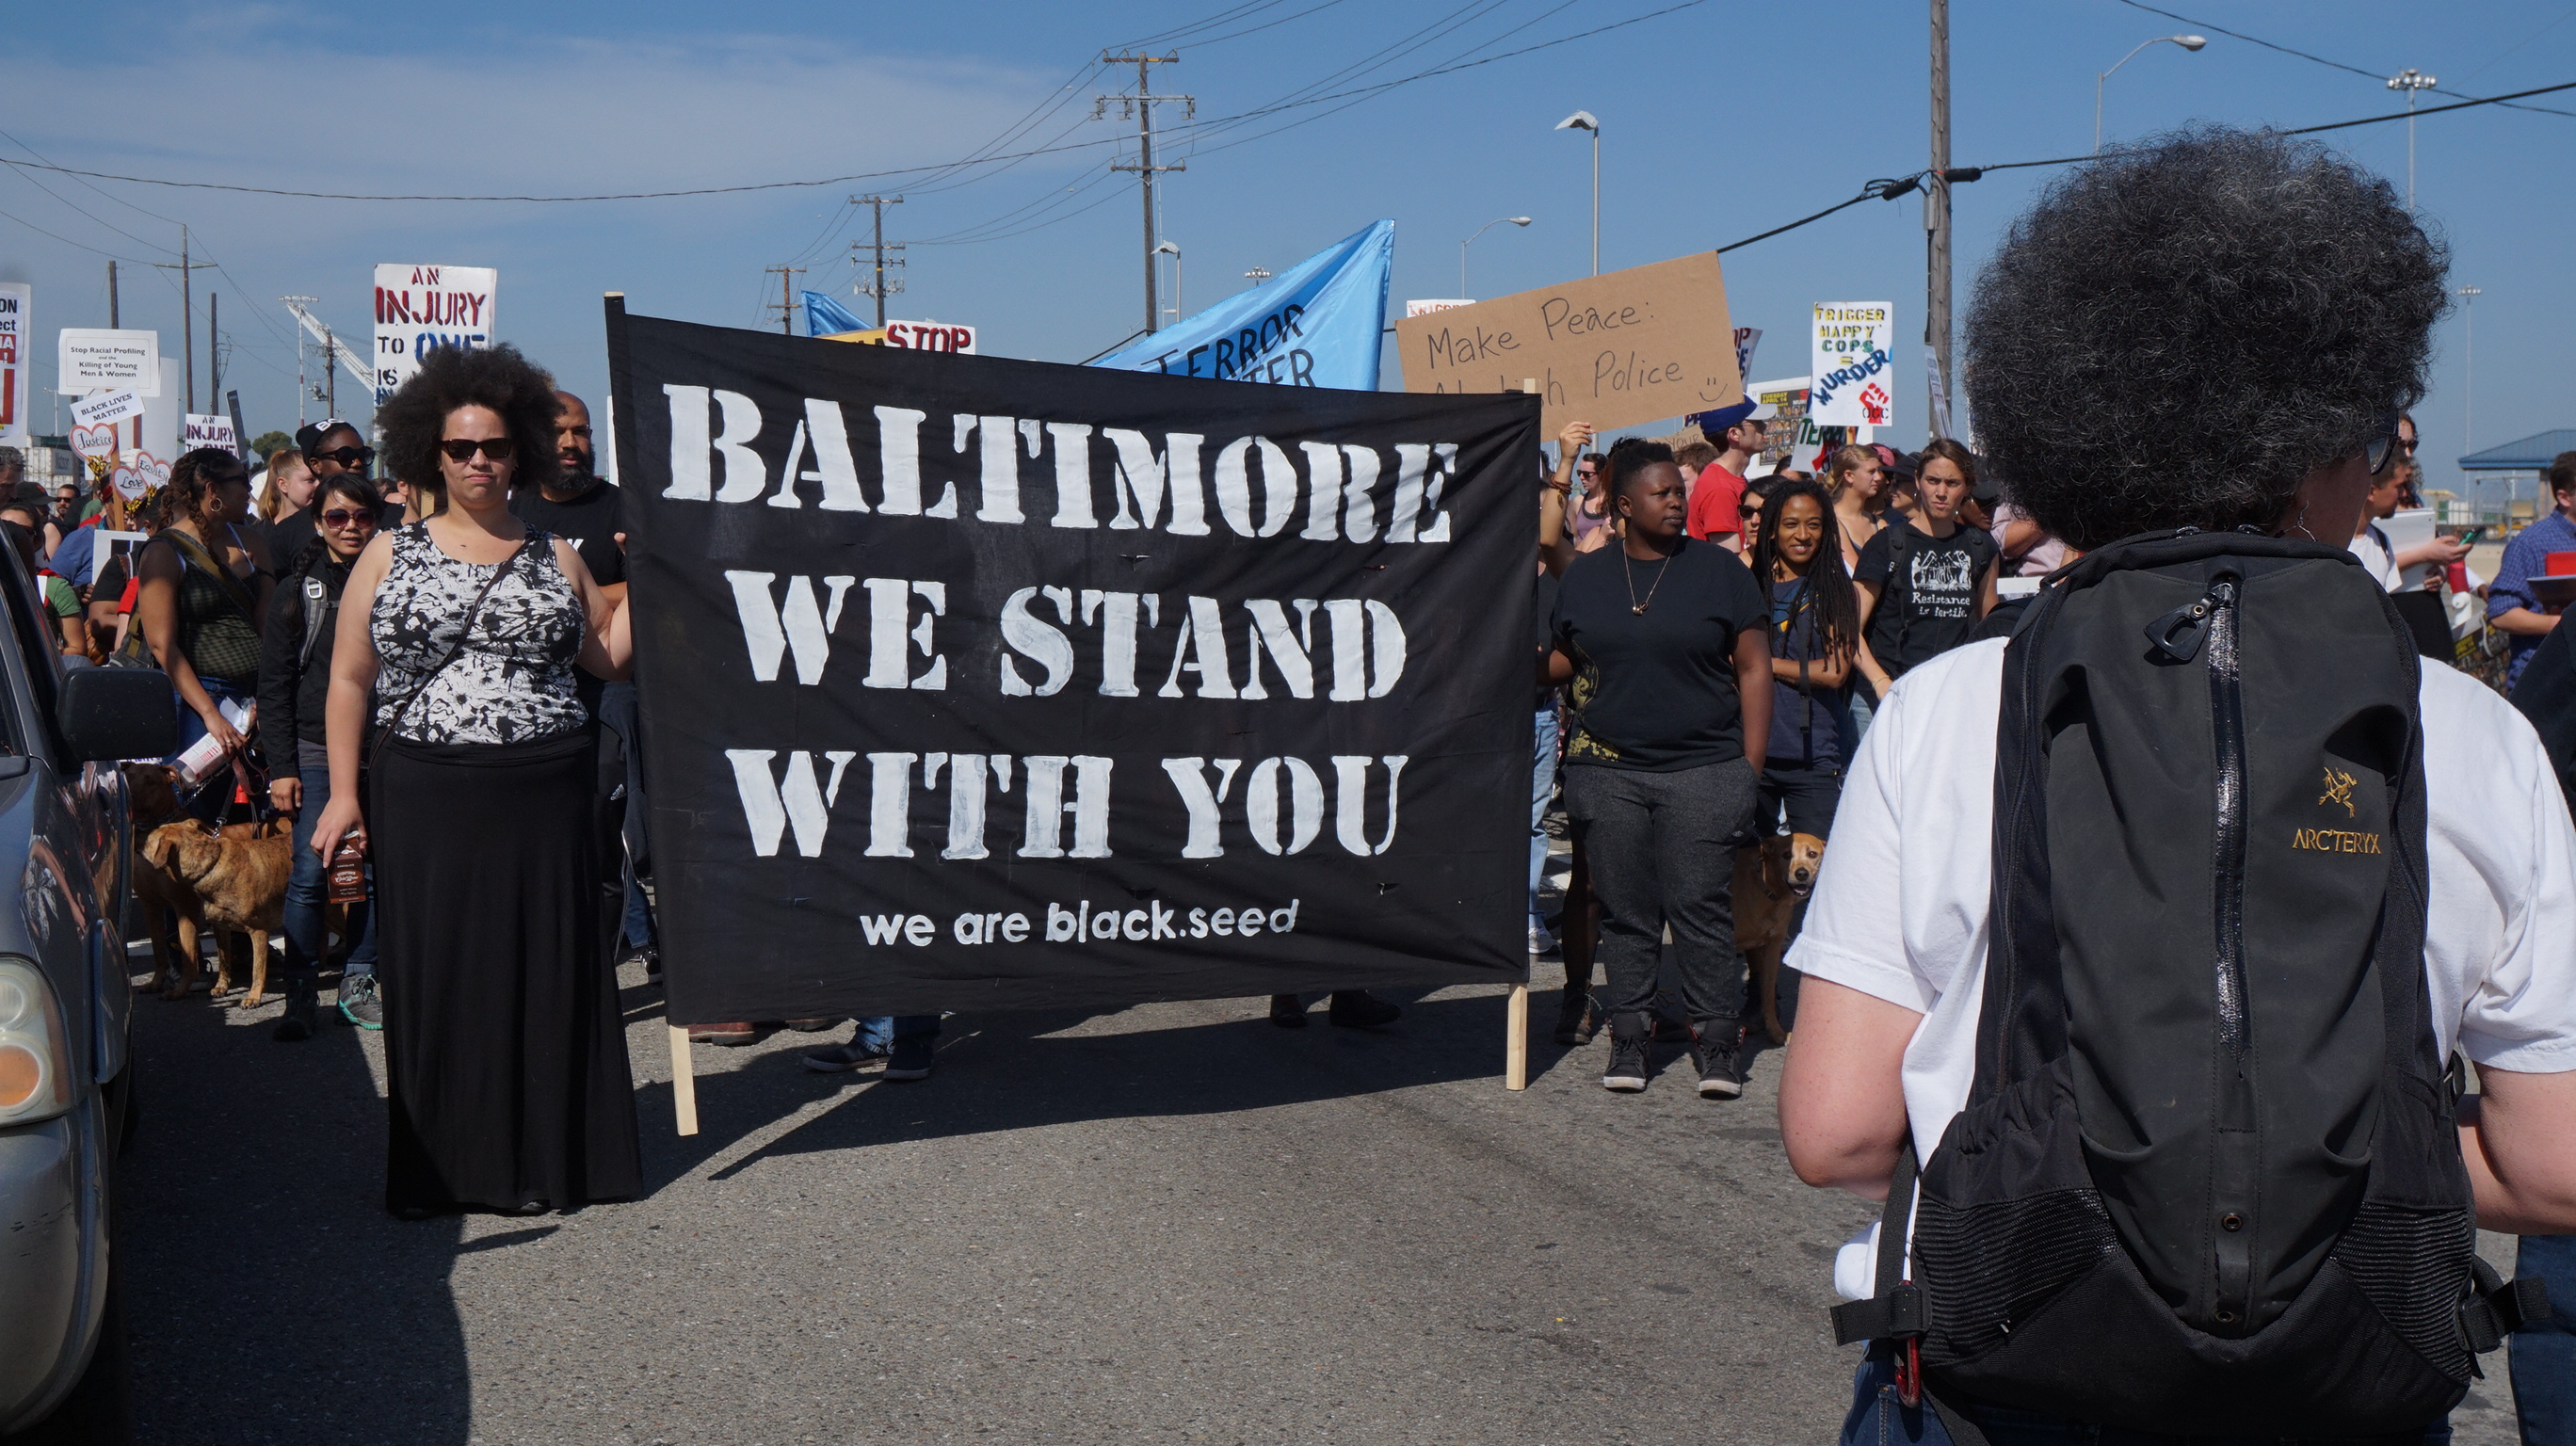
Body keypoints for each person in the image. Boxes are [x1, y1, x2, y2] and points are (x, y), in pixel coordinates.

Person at [1779, 127, 2576, 1445]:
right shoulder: (2468, 731)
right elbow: (2554, 1166)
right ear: (2323, 450)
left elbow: (1838, 1133)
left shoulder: (1953, 706)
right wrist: (2306, 1171)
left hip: (2003, 1375)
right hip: (2341, 1388)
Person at [312, 342, 639, 1217]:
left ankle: (549, 1162)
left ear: (518, 450)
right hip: (428, 792)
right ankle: (453, 1169)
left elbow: (608, 657)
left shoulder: (556, 553)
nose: (479, 462)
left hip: (547, 791)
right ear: (434, 452)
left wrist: (651, 569)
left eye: (494, 446)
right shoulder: (389, 551)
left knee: (545, 970)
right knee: (446, 976)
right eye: (461, 448)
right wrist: (344, 794)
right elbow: (348, 680)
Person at [1544, 438, 1771, 1098]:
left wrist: (1749, 769)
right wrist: (1504, 660)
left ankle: (1717, 1042)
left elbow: (1755, 668)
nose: (1677, 501)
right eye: (1662, 492)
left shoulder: (1720, 572)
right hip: (1606, 772)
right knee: (1626, 911)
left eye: (1680, 491)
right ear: (1623, 505)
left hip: (1705, 769)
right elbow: (1567, 660)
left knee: (1699, 907)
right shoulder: (1586, 576)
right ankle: (1631, 1036)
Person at [259, 474, 386, 1041]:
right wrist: (282, 768)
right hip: (314, 747)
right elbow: (274, 686)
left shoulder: (397, 582)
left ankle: (359, 983)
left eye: (362, 516)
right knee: (312, 871)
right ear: (318, 523)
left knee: (373, 869)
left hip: (382, 746)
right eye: (338, 517)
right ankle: (300, 991)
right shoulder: (297, 592)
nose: (351, 527)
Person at [136, 448, 273, 820]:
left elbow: (267, 625)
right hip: (197, 703)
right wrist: (211, 715)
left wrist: (269, 694)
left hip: (255, 699)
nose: (250, 491)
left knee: (253, 816)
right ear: (213, 490)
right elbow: (163, 645)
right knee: (197, 815)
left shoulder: (253, 542)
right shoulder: (164, 552)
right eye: (242, 481)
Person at [1847, 438, 1999, 724]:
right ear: (1918, 481)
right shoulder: (1886, 544)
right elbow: (1849, 628)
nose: (1941, 492)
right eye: (1933, 480)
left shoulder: (1981, 548)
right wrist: (1880, 682)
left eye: (1952, 483)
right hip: (1884, 699)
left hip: (1949, 699)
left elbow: (1989, 629)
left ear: (1967, 487)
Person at [1749, 478, 1858, 847]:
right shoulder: (1749, 587)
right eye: (1791, 524)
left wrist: (1762, 664)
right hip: (1751, 752)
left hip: (1814, 757)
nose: (1803, 535)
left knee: (1817, 869)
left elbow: (1834, 671)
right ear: (1771, 530)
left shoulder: (1838, 590)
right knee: (1748, 870)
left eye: (1813, 524)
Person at [2485, 451, 2576, 689]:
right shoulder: (2531, 543)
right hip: (2545, 682)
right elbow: (2502, 613)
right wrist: (2563, 625)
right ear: (2565, 497)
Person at [1, 490, 86, 656]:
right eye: (3, 530)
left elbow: (77, 649)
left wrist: (47, 652)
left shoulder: (54, 586)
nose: (12, 538)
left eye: (23, 532)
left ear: (38, 540)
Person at [1684, 400, 1763, 551]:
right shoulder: (1719, 487)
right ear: (1734, 434)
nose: (1764, 427)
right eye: (1756, 422)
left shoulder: (1730, 479)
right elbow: (1730, 559)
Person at [1824, 443, 1884, 574]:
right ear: (1849, 476)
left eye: (1878, 471)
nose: (1878, 478)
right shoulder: (1829, 522)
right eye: (1871, 472)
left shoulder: (1879, 523)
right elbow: (1856, 574)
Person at [256, 446, 318, 562]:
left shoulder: (325, 526)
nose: (319, 485)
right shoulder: (259, 536)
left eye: (321, 478)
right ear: (283, 485)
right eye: (310, 480)